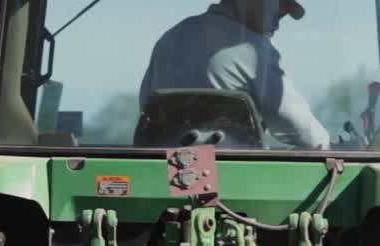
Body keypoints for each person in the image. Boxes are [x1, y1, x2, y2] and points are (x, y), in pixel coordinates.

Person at [139, 0, 331, 150]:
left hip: (164, 175)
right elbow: (300, 129)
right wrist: (328, 146)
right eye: (275, 12)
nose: (277, 26)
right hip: (234, 178)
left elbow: (147, 104)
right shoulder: (253, 48)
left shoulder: (170, 38)